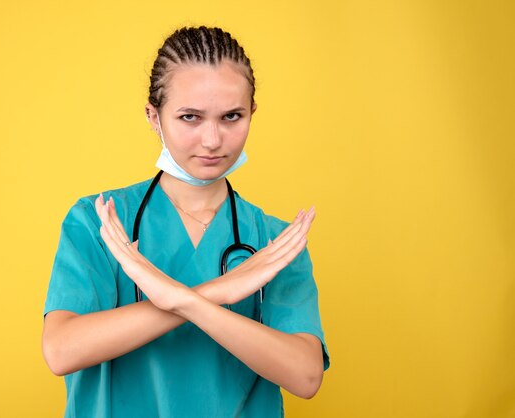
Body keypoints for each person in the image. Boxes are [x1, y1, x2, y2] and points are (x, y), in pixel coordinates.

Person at [42, 26, 330, 418]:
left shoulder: (276, 242)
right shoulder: (101, 220)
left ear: (252, 114)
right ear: (153, 116)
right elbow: (61, 350)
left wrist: (181, 298)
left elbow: (306, 376)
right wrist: (218, 292)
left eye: (232, 116)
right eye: (190, 117)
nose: (212, 139)